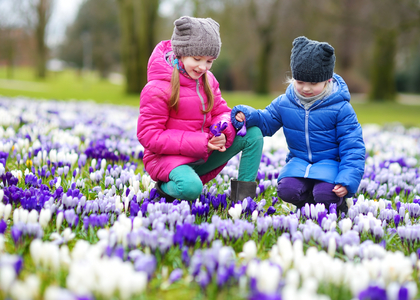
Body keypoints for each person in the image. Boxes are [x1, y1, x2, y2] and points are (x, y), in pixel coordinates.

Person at [231, 36, 366, 214]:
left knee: (326, 194)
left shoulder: (340, 108)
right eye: (300, 81)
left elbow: (353, 146)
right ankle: (308, 208)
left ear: (328, 80)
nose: (306, 88)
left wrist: (347, 179)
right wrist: (248, 115)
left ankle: (335, 206)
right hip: (299, 162)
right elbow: (266, 122)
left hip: (330, 164)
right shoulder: (285, 102)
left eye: (313, 83)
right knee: (286, 190)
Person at [137, 16, 263, 202]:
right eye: (197, 59)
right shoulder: (157, 88)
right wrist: (202, 141)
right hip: (168, 160)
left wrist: (222, 130)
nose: (203, 67)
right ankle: (164, 188)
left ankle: (243, 202)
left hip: (203, 153)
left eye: (210, 61)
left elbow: (221, 111)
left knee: (252, 135)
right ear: (180, 53)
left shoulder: (208, 80)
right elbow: (149, 136)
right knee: (191, 189)